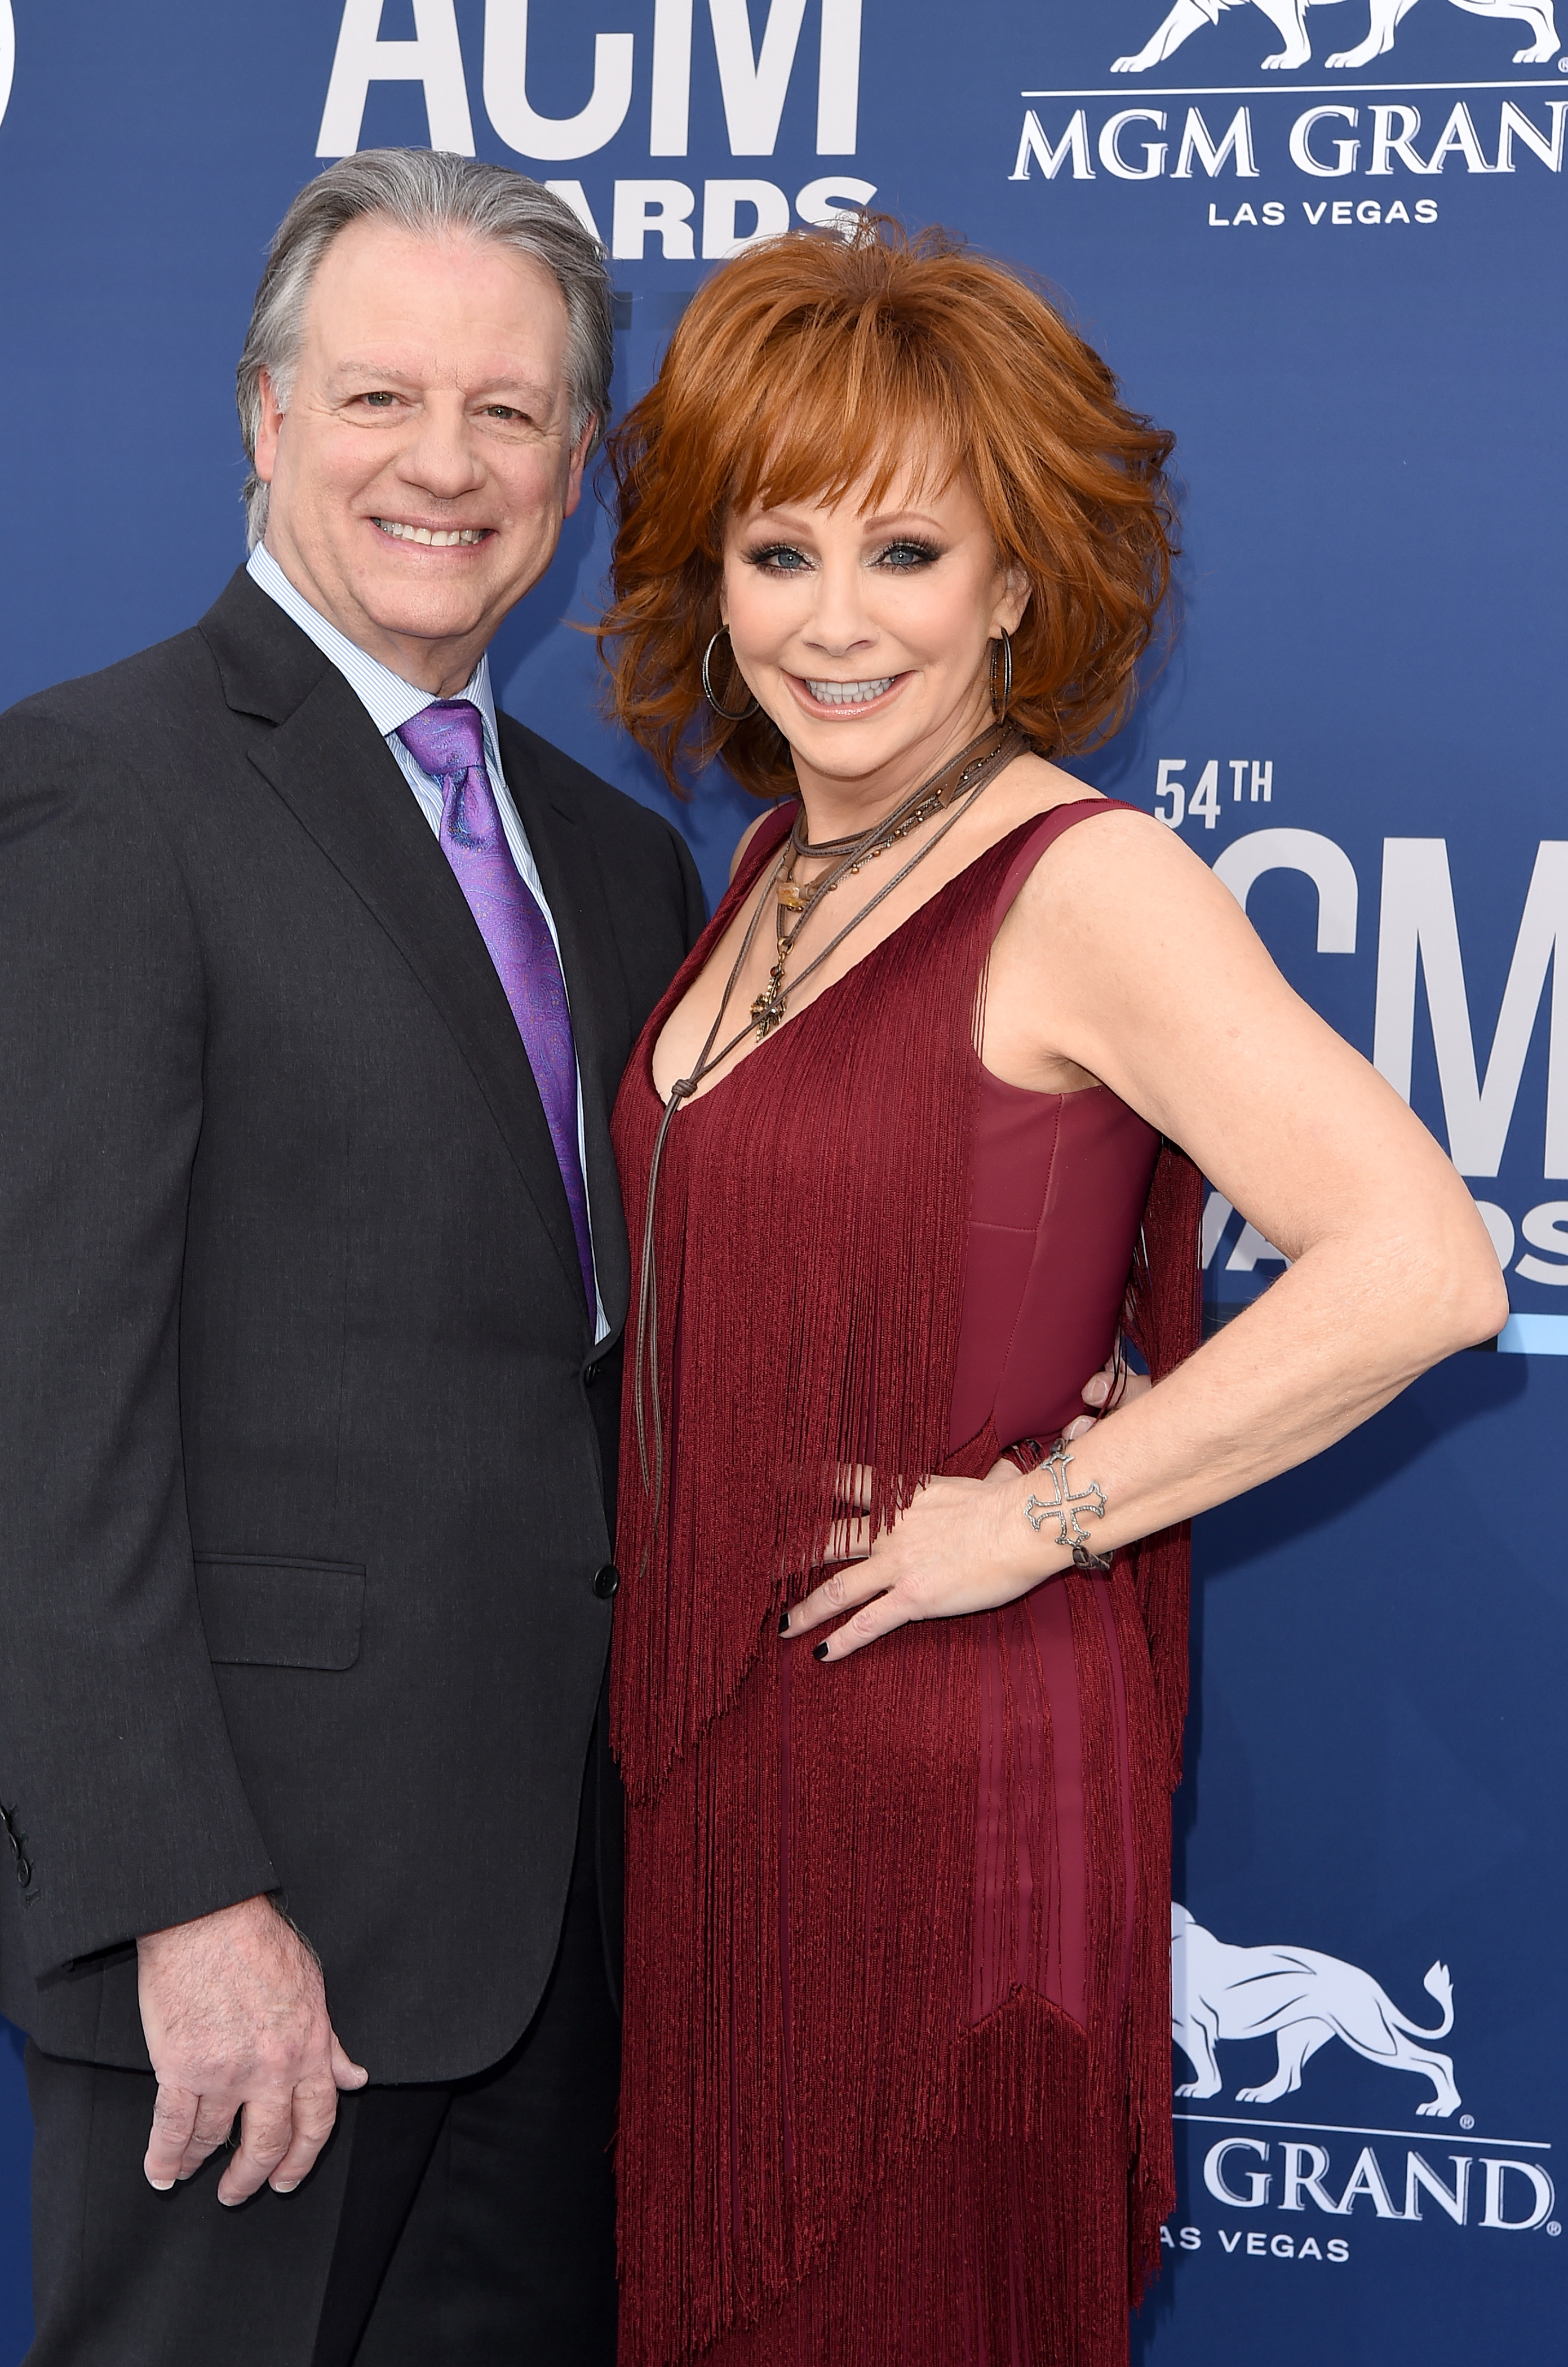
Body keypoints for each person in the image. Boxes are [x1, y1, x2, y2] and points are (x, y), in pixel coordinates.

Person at [594, 217, 1505, 2367]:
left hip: (940, 1792)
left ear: (1015, 580)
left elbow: (1421, 1263)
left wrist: (1035, 1517)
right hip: (737, 1776)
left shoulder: (1082, 880)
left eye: (903, 556)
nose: (832, 625)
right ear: (710, 586)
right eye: (776, 551)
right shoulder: (775, 865)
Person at [0, 152, 706, 2367]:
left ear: (576, 461)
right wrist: (183, 1898)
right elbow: (21, 1415)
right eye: (376, 399)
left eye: (511, 412)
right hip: (251, 1940)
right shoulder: (92, 791)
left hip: (550, 1932)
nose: (444, 465)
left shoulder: (621, 865)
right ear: (259, 420)